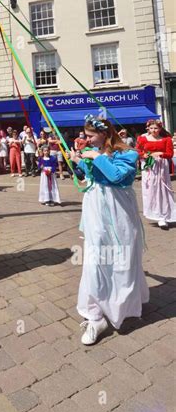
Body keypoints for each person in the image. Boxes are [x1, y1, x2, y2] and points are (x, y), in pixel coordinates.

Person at [69, 115, 149, 346]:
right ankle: (95, 315)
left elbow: (118, 177)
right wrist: (76, 162)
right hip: (95, 211)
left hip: (119, 213)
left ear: (104, 134)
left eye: (91, 135)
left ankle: (124, 304)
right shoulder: (92, 151)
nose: (87, 139)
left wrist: (96, 157)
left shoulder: (127, 153)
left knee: (123, 256)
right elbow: (85, 177)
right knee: (95, 260)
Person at [136, 120, 176, 229]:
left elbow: (170, 154)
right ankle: (154, 212)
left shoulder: (166, 139)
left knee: (162, 190)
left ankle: (163, 215)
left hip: (161, 167)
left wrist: (160, 153)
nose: (154, 130)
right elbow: (138, 152)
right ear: (148, 128)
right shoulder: (142, 139)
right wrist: (145, 155)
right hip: (149, 168)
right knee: (151, 190)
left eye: (156, 128)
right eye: (151, 128)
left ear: (160, 129)